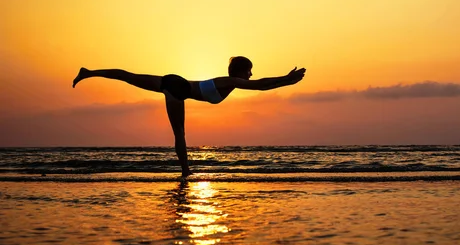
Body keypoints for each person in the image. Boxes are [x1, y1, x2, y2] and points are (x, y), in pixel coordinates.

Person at [72, 56, 306, 177]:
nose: (251, 73)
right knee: (180, 134)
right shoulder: (231, 81)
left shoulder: (230, 83)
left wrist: (286, 80)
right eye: (249, 70)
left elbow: (259, 85)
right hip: (178, 89)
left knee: (128, 76)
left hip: (174, 81)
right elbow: (259, 86)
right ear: (240, 72)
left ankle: (89, 73)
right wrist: (286, 80)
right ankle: (185, 171)